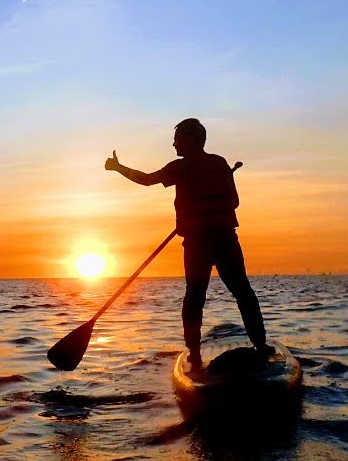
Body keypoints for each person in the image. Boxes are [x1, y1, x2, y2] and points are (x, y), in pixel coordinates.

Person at [105, 118, 272, 364]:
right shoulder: (217, 164)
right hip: (220, 238)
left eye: (177, 139)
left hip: (203, 243)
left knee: (198, 296)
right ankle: (259, 345)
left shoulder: (182, 167)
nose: (173, 144)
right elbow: (234, 202)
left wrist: (119, 168)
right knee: (239, 293)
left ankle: (195, 353)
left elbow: (147, 179)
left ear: (192, 139)